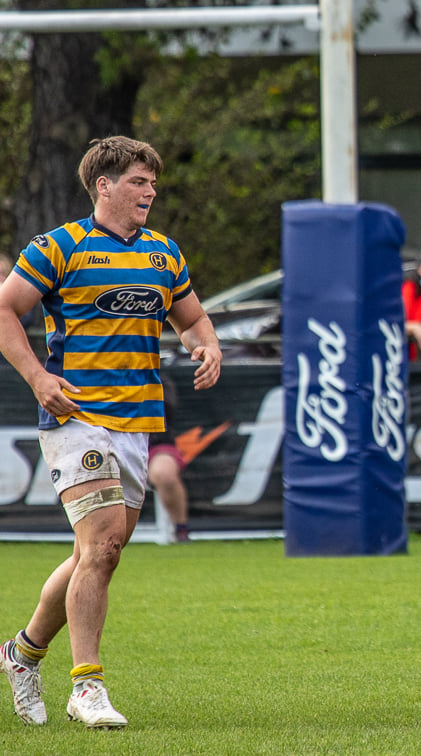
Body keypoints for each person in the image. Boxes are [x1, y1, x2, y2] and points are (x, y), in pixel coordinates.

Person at [0, 136, 222, 729]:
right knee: (99, 547)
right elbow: (5, 309)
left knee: (99, 553)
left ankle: (21, 654)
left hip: (137, 424)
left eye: (152, 182)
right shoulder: (60, 247)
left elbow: (193, 317)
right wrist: (37, 376)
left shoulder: (162, 253)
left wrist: (208, 346)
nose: (150, 191)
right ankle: (86, 686)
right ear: (104, 185)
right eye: (138, 182)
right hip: (77, 417)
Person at [148, 376, 192, 543]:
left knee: (164, 473)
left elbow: (166, 410)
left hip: (154, 442)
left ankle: (181, 529)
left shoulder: (160, 379)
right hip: (109, 443)